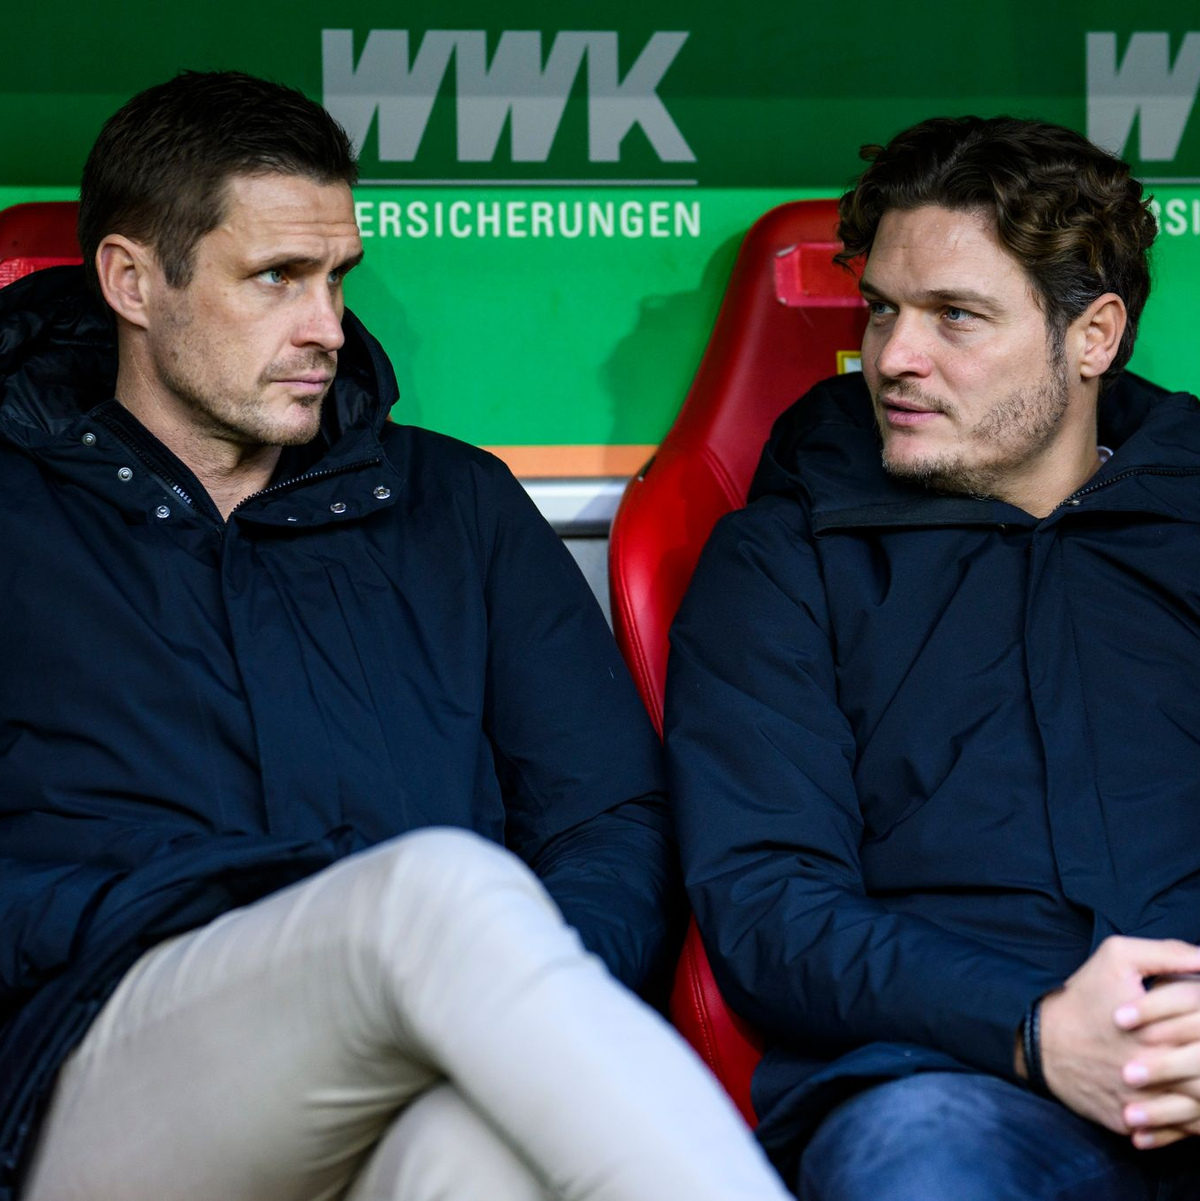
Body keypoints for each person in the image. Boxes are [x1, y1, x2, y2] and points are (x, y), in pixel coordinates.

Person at [0, 71, 790, 1201]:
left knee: (479, 1160)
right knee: (432, 893)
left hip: (418, 1058)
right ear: (132, 280)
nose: (326, 328)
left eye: (337, 277)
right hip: (103, 1071)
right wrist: (161, 913)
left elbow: (611, 815)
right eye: (276, 277)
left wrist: (499, 991)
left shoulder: (454, 504)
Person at [665, 114, 1200, 1199]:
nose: (892, 358)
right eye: (881, 309)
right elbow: (770, 904)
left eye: (955, 314)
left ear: (1093, 337)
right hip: (960, 1078)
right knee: (919, 1160)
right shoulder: (784, 555)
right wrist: (1034, 1028)